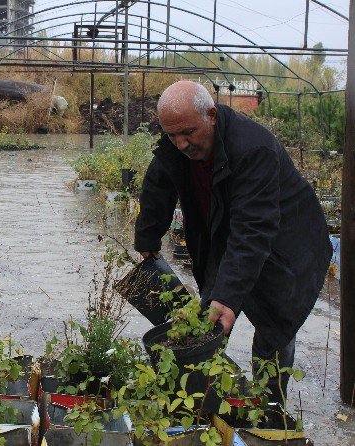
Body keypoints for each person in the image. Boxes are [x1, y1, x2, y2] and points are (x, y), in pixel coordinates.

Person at [134, 80, 332, 402]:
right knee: (208, 317)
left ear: (211, 115)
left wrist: (228, 295)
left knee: (275, 325)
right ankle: (205, 398)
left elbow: (254, 229)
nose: (181, 143)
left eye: (188, 133)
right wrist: (148, 236)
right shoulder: (177, 144)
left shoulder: (254, 148)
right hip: (229, 234)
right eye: (172, 135)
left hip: (285, 243)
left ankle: (270, 406)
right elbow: (159, 183)